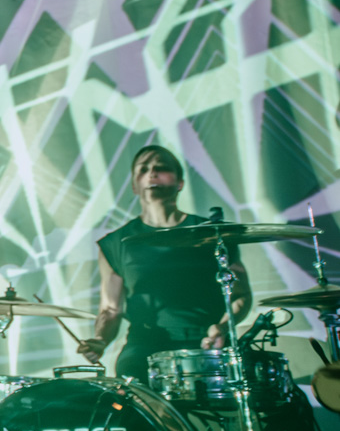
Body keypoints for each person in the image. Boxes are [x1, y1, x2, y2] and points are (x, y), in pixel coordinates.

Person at [77, 144, 251, 384]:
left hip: (207, 341)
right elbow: (110, 310)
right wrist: (101, 339)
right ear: (134, 185)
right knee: (131, 386)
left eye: (161, 168)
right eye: (144, 169)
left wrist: (222, 327)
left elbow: (240, 294)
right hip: (146, 344)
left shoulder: (214, 234)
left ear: (179, 182)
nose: (152, 174)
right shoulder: (116, 243)